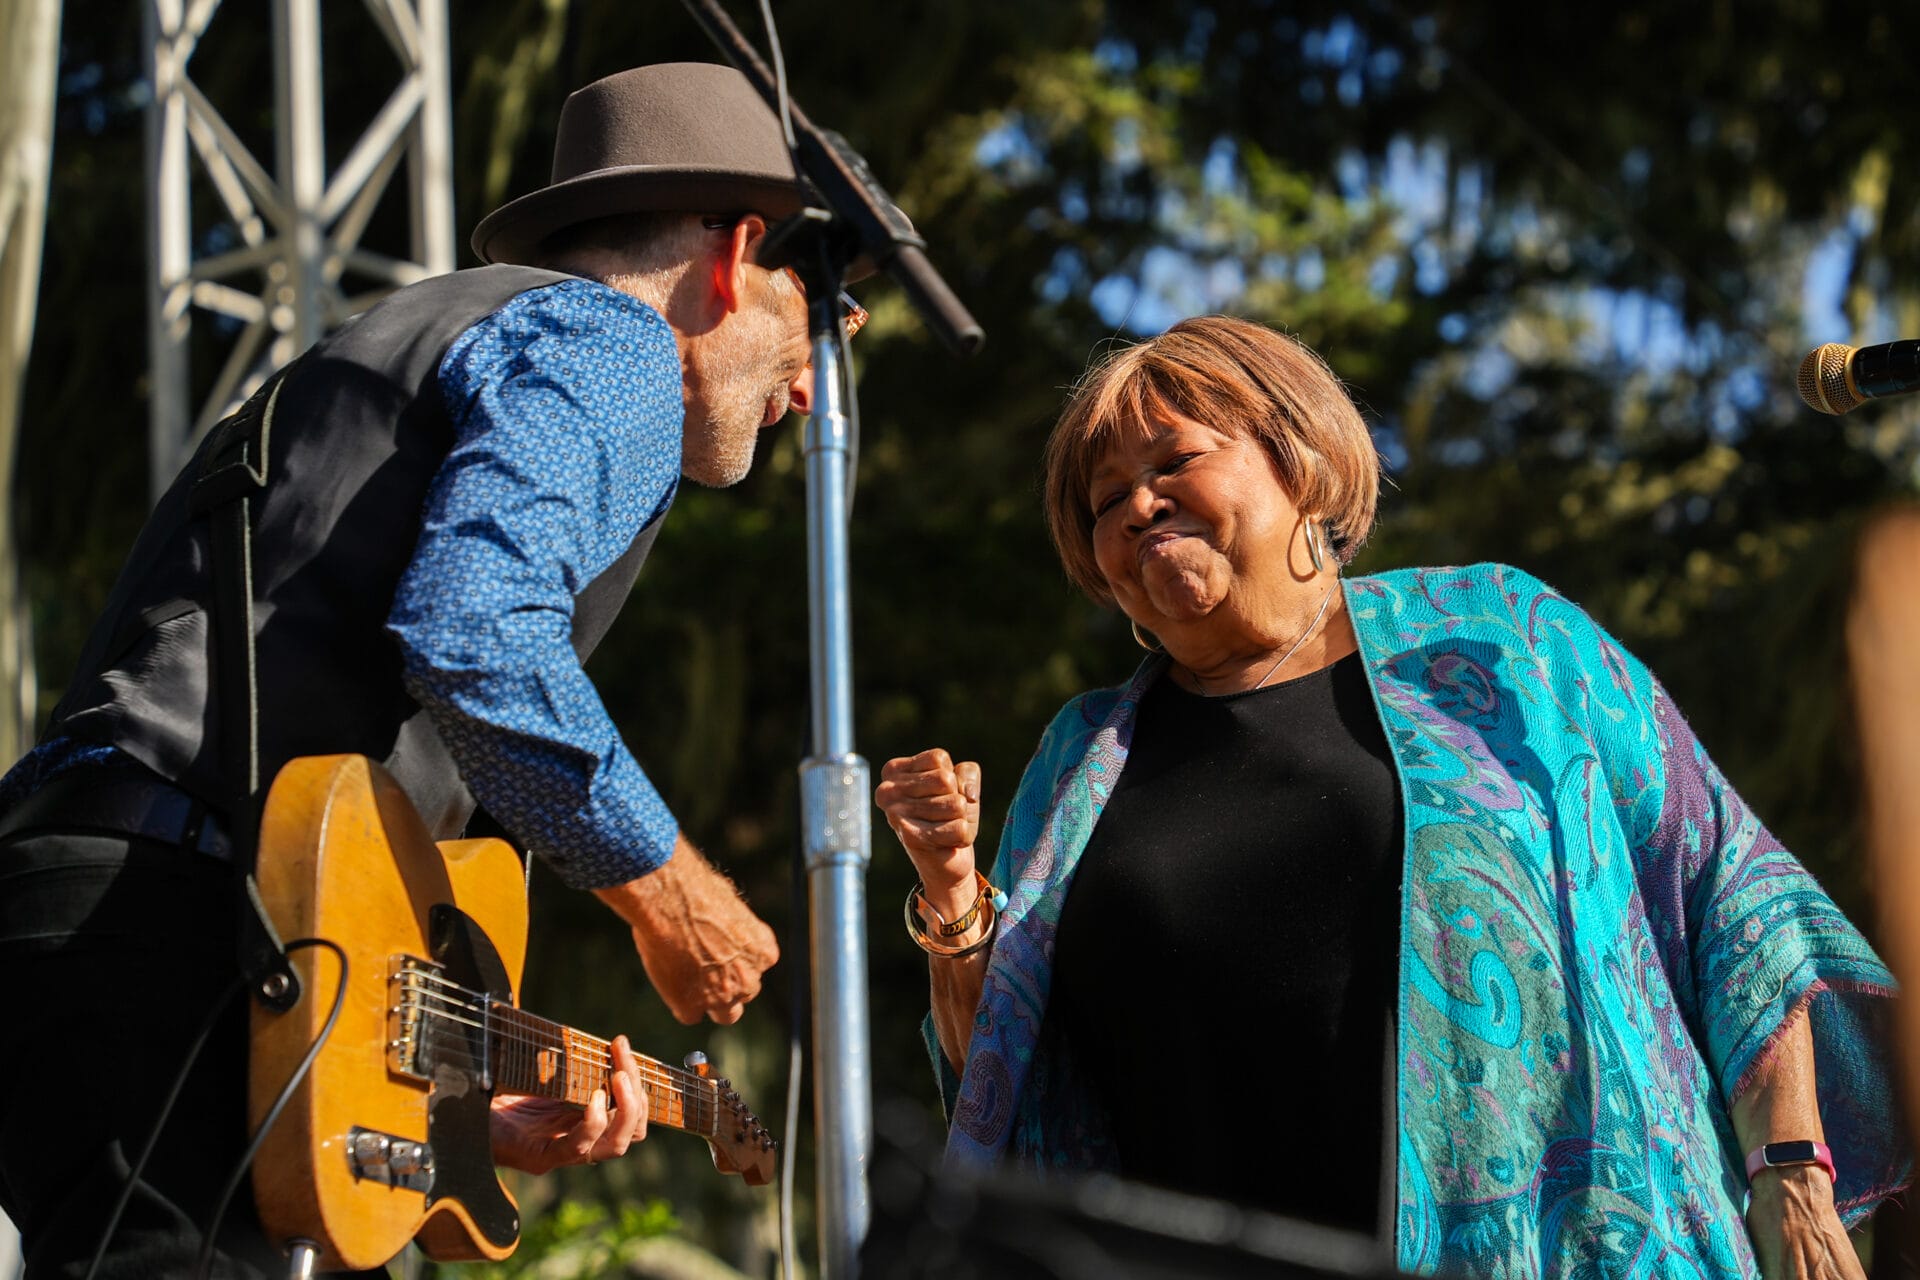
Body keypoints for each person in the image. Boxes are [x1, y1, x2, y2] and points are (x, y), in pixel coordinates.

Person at [0, 62, 851, 1276]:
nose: (818, 383)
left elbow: (339, 830)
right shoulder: (611, 342)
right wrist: (669, 891)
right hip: (169, 926)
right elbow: (476, 631)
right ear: (737, 255)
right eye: (829, 314)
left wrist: (446, 1114)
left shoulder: (425, 343)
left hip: (140, 920)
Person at [877, 315, 1908, 1277]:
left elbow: (1728, 895)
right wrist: (957, 903)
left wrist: (1794, 1175)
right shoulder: (1080, 760)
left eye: (1173, 462)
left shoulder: (1504, 641)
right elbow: (1001, 1083)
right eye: (1105, 501)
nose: (1138, 502)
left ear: (1301, 459)